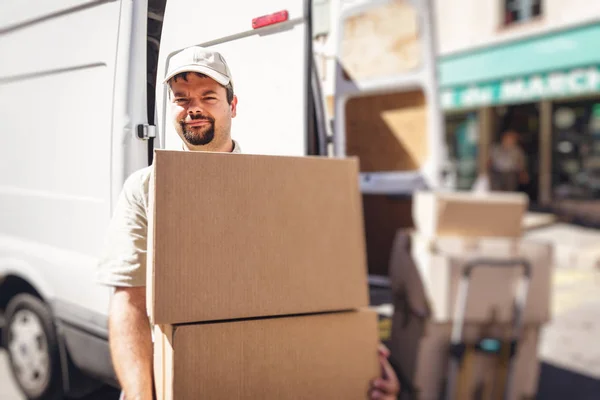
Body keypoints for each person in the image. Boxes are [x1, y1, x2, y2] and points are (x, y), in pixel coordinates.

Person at [97, 45, 400, 400]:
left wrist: (361, 366)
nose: (193, 108)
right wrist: (138, 394)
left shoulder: (272, 184)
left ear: (232, 106)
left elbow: (320, 297)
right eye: (181, 99)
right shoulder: (144, 188)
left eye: (208, 96)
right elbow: (128, 300)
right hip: (178, 375)